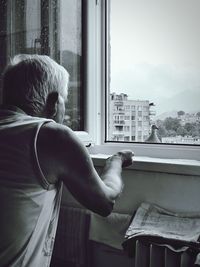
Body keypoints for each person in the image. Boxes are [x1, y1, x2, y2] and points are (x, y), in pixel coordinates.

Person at [0, 54, 133, 267]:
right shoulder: (52, 136)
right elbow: (105, 202)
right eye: (65, 100)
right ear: (54, 102)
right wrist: (116, 161)